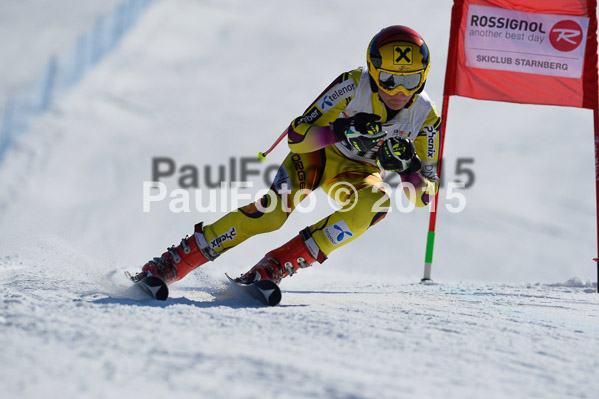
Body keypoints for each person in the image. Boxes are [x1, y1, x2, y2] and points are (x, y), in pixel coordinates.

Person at [133, 25, 441, 286]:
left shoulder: (425, 116)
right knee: (271, 215)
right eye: (388, 79)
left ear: (423, 77)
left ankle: (275, 266)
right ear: (374, 71)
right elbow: (297, 137)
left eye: (410, 80)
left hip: (356, 172)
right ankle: (175, 261)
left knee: (376, 203)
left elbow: (425, 197)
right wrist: (341, 129)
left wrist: (409, 168)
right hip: (317, 157)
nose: (398, 90)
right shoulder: (352, 84)